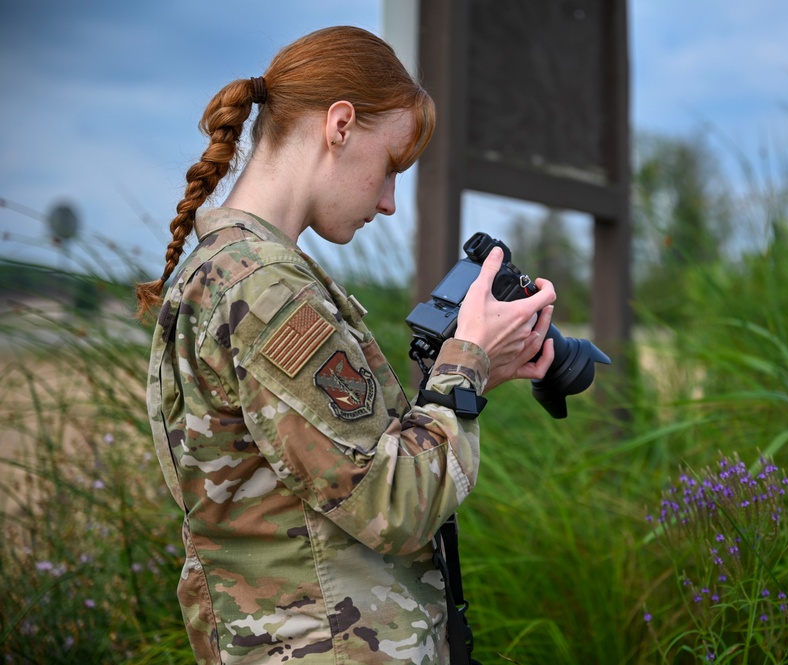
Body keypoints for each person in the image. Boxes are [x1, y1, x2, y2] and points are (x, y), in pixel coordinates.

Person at [136, 26, 556, 665]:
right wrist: (464, 364)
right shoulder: (266, 291)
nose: (389, 202)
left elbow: (327, 474)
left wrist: (479, 369)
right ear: (340, 126)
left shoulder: (228, 271)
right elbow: (396, 502)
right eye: (389, 167)